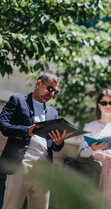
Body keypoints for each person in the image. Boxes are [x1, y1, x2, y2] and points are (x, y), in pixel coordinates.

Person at [0, 73, 70, 209]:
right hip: (21, 162)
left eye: (55, 91)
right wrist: (26, 130)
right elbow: (2, 125)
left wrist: (58, 142)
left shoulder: (53, 113)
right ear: (38, 84)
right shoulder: (18, 100)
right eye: (50, 89)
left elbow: (52, 145)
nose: (52, 93)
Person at [78, 89, 111, 209]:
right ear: (99, 105)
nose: (108, 106)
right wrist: (92, 148)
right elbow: (81, 154)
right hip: (93, 170)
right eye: (104, 103)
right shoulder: (89, 126)